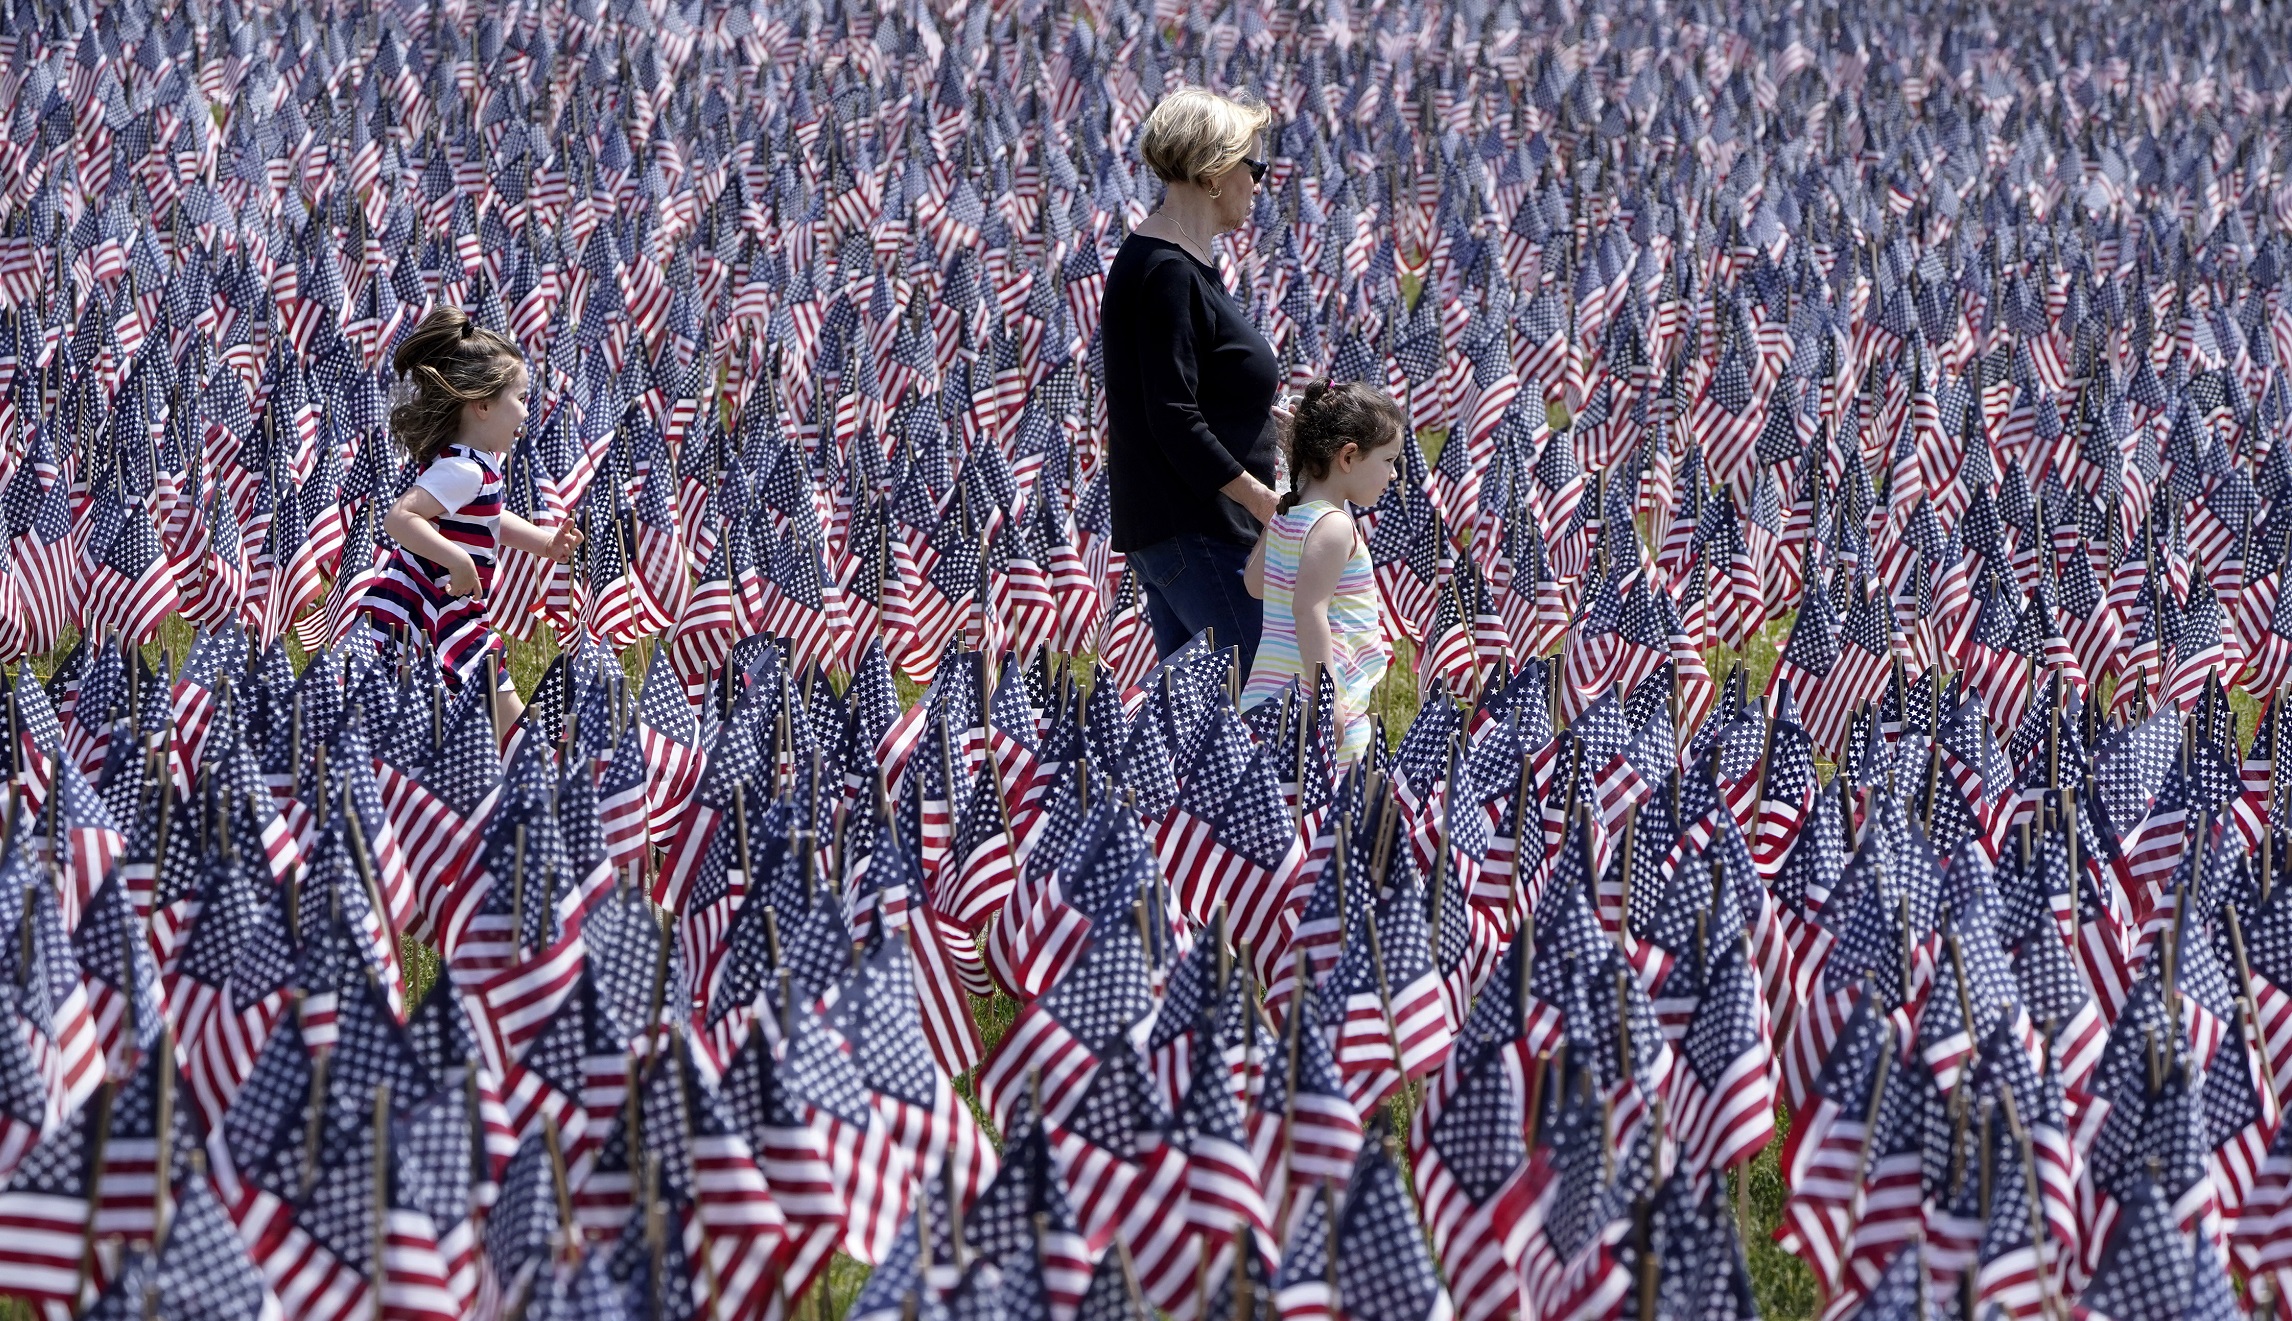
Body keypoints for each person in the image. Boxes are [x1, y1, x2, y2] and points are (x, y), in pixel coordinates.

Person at [1101, 86, 1281, 677]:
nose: (1258, 183)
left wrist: (1272, 418)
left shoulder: (1179, 258)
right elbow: (1172, 414)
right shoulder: (1166, 271)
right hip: (1201, 530)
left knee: (1196, 730)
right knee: (1266, 710)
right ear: (1213, 172)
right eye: (1253, 167)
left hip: (1185, 531)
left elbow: (1196, 387)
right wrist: (1263, 500)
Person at [362, 305, 582, 734]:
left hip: (450, 610)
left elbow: (491, 517)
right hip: (425, 610)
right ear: (482, 405)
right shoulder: (463, 470)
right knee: (500, 722)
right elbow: (400, 518)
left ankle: (505, 779)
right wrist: (458, 561)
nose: (525, 411)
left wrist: (543, 542)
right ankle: (526, 782)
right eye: (518, 399)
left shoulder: (479, 464)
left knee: (440, 721)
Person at [1241, 381, 1406, 767]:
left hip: (1266, 692)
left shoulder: (1288, 514)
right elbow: (1309, 611)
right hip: (1312, 696)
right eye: (1388, 461)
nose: (1394, 476)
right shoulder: (1334, 525)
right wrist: (1326, 698)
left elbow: (1253, 583)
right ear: (1348, 456)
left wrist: (1285, 502)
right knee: (1330, 810)